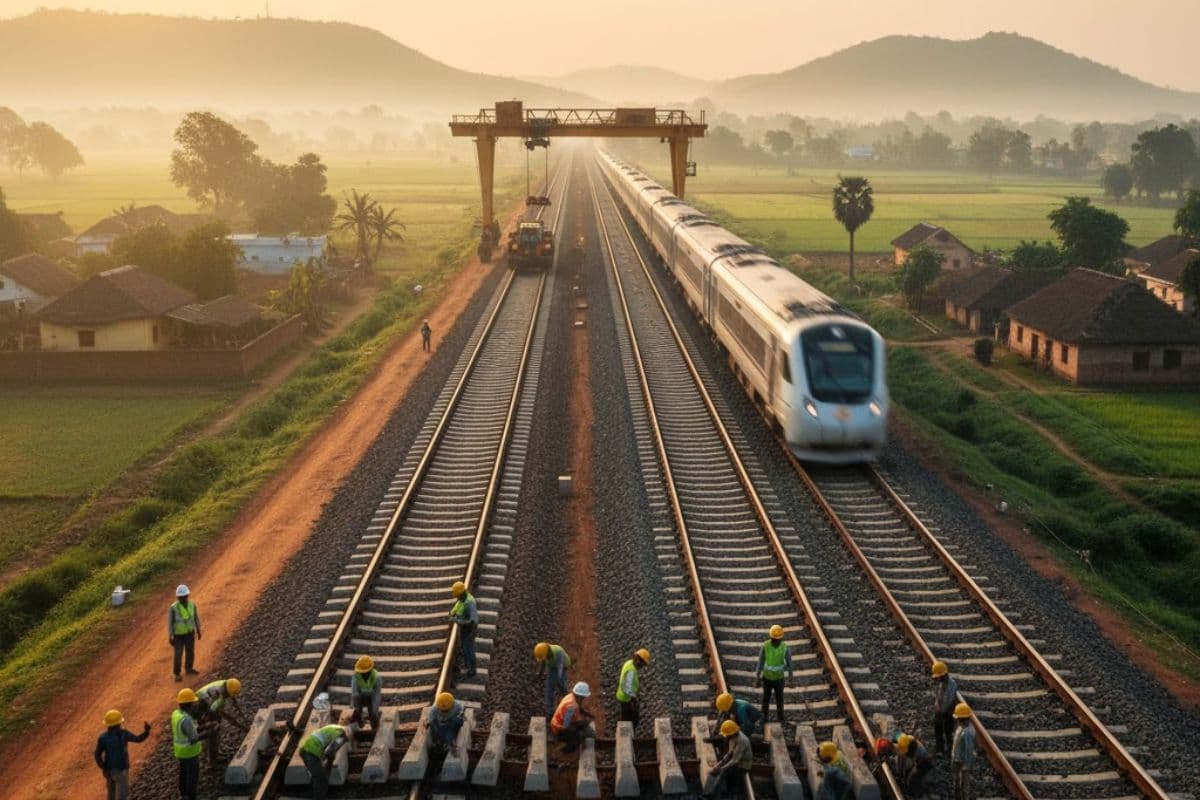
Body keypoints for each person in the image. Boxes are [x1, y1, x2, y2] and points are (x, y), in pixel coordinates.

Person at [298, 709, 355, 800]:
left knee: (317, 775)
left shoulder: (334, 727)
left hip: (305, 748)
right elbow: (329, 751)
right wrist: (330, 761)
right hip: (311, 752)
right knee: (321, 779)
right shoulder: (342, 735)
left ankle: (317, 793)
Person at [95, 709, 150, 800]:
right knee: (123, 795)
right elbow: (138, 739)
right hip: (121, 769)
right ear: (119, 723)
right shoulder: (123, 734)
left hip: (109, 770)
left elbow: (97, 755)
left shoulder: (103, 737)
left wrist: (103, 767)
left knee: (111, 794)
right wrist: (146, 732)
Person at [195, 677, 242, 768]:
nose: (229, 697)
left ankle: (216, 753)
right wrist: (231, 720)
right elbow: (213, 710)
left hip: (207, 703)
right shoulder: (219, 694)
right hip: (200, 705)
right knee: (212, 733)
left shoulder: (227, 684)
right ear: (227, 692)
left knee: (216, 728)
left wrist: (237, 709)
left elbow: (230, 699)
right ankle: (211, 762)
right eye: (229, 695)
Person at [757, 625, 793, 723]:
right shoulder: (765, 646)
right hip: (767, 678)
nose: (776, 641)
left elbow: (790, 663)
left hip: (779, 679)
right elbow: (760, 662)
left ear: (781, 638)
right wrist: (757, 677)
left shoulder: (784, 647)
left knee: (779, 699)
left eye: (777, 639)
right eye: (774, 639)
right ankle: (764, 717)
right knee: (766, 699)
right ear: (771, 637)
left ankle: (780, 717)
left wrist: (790, 678)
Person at [171, 688, 203, 800]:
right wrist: (208, 733)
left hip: (180, 752)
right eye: (193, 703)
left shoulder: (176, 714)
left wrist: (201, 728)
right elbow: (193, 739)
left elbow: (186, 731)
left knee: (183, 772)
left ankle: (183, 793)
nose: (195, 705)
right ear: (190, 705)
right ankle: (191, 796)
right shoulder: (186, 720)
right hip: (190, 752)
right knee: (192, 776)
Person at [549, 681, 595, 753]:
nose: (584, 698)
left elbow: (578, 706)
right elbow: (566, 726)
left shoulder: (571, 696)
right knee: (579, 737)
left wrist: (585, 713)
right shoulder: (571, 706)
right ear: (580, 696)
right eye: (583, 697)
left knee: (584, 729)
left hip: (557, 723)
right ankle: (566, 750)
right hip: (559, 729)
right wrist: (583, 723)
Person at [711, 720, 753, 797]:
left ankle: (733, 794)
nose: (725, 736)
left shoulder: (742, 741)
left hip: (743, 765)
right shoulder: (732, 737)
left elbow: (735, 760)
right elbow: (729, 753)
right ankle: (726, 792)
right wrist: (718, 765)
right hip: (735, 760)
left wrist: (722, 768)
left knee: (727, 773)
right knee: (723, 771)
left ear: (732, 733)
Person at [168, 584, 201, 682]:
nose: (182, 598)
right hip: (178, 635)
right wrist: (170, 635)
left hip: (190, 633)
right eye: (180, 597)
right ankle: (177, 673)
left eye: (184, 596)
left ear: (187, 595)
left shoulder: (192, 605)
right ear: (178, 597)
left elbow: (196, 618)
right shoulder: (173, 607)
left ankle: (189, 668)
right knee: (178, 654)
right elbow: (170, 623)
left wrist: (198, 630)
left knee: (190, 651)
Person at [615, 648, 650, 729]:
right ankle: (626, 732)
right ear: (638, 660)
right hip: (626, 699)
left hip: (624, 697)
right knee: (628, 720)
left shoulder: (629, 663)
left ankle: (626, 730)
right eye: (643, 664)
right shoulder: (631, 670)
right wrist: (634, 698)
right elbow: (626, 688)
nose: (642, 667)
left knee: (628, 718)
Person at [449, 581, 478, 678]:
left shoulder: (470, 603)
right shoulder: (462, 599)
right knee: (464, 647)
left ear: (460, 594)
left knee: (468, 648)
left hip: (470, 629)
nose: (456, 598)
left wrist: (457, 621)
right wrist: (452, 613)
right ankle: (467, 667)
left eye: (457, 596)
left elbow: (472, 621)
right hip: (464, 628)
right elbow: (457, 607)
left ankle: (472, 670)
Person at [534, 642, 571, 719]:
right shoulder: (544, 652)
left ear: (548, 652)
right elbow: (543, 663)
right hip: (552, 666)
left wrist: (559, 678)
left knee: (562, 686)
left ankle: (568, 704)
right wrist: (540, 674)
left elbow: (560, 666)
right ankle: (550, 711)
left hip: (562, 665)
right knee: (549, 688)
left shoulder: (558, 652)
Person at [931, 660, 958, 755]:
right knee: (938, 730)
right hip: (940, 712)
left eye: (938, 677)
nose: (937, 678)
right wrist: (937, 707)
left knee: (948, 733)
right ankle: (940, 750)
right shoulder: (942, 683)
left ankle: (950, 751)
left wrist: (943, 712)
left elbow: (949, 701)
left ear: (943, 675)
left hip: (947, 714)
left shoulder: (952, 684)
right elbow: (939, 696)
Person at [427, 691, 466, 756]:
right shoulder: (434, 709)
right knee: (438, 728)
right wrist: (429, 723)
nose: (444, 712)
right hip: (442, 725)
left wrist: (460, 718)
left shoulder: (458, 706)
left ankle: (449, 743)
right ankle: (442, 743)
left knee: (455, 722)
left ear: (452, 705)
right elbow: (431, 720)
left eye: (446, 710)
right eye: (443, 711)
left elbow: (461, 716)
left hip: (453, 723)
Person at [951, 703, 976, 800]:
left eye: (957, 718)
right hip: (957, 760)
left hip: (962, 762)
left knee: (964, 785)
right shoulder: (961, 727)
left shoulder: (967, 732)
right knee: (957, 783)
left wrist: (966, 765)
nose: (956, 720)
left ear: (961, 718)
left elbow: (968, 749)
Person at [351, 656, 382, 730]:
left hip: (372, 697)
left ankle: (375, 727)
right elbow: (355, 693)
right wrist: (357, 710)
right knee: (356, 708)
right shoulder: (356, 676)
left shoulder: (376, 677)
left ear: (370, 670)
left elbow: (376, 696)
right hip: (360, 697)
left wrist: (374, 710)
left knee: (373, 712)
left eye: (365, 672)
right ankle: (358, 724)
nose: (363, 674)